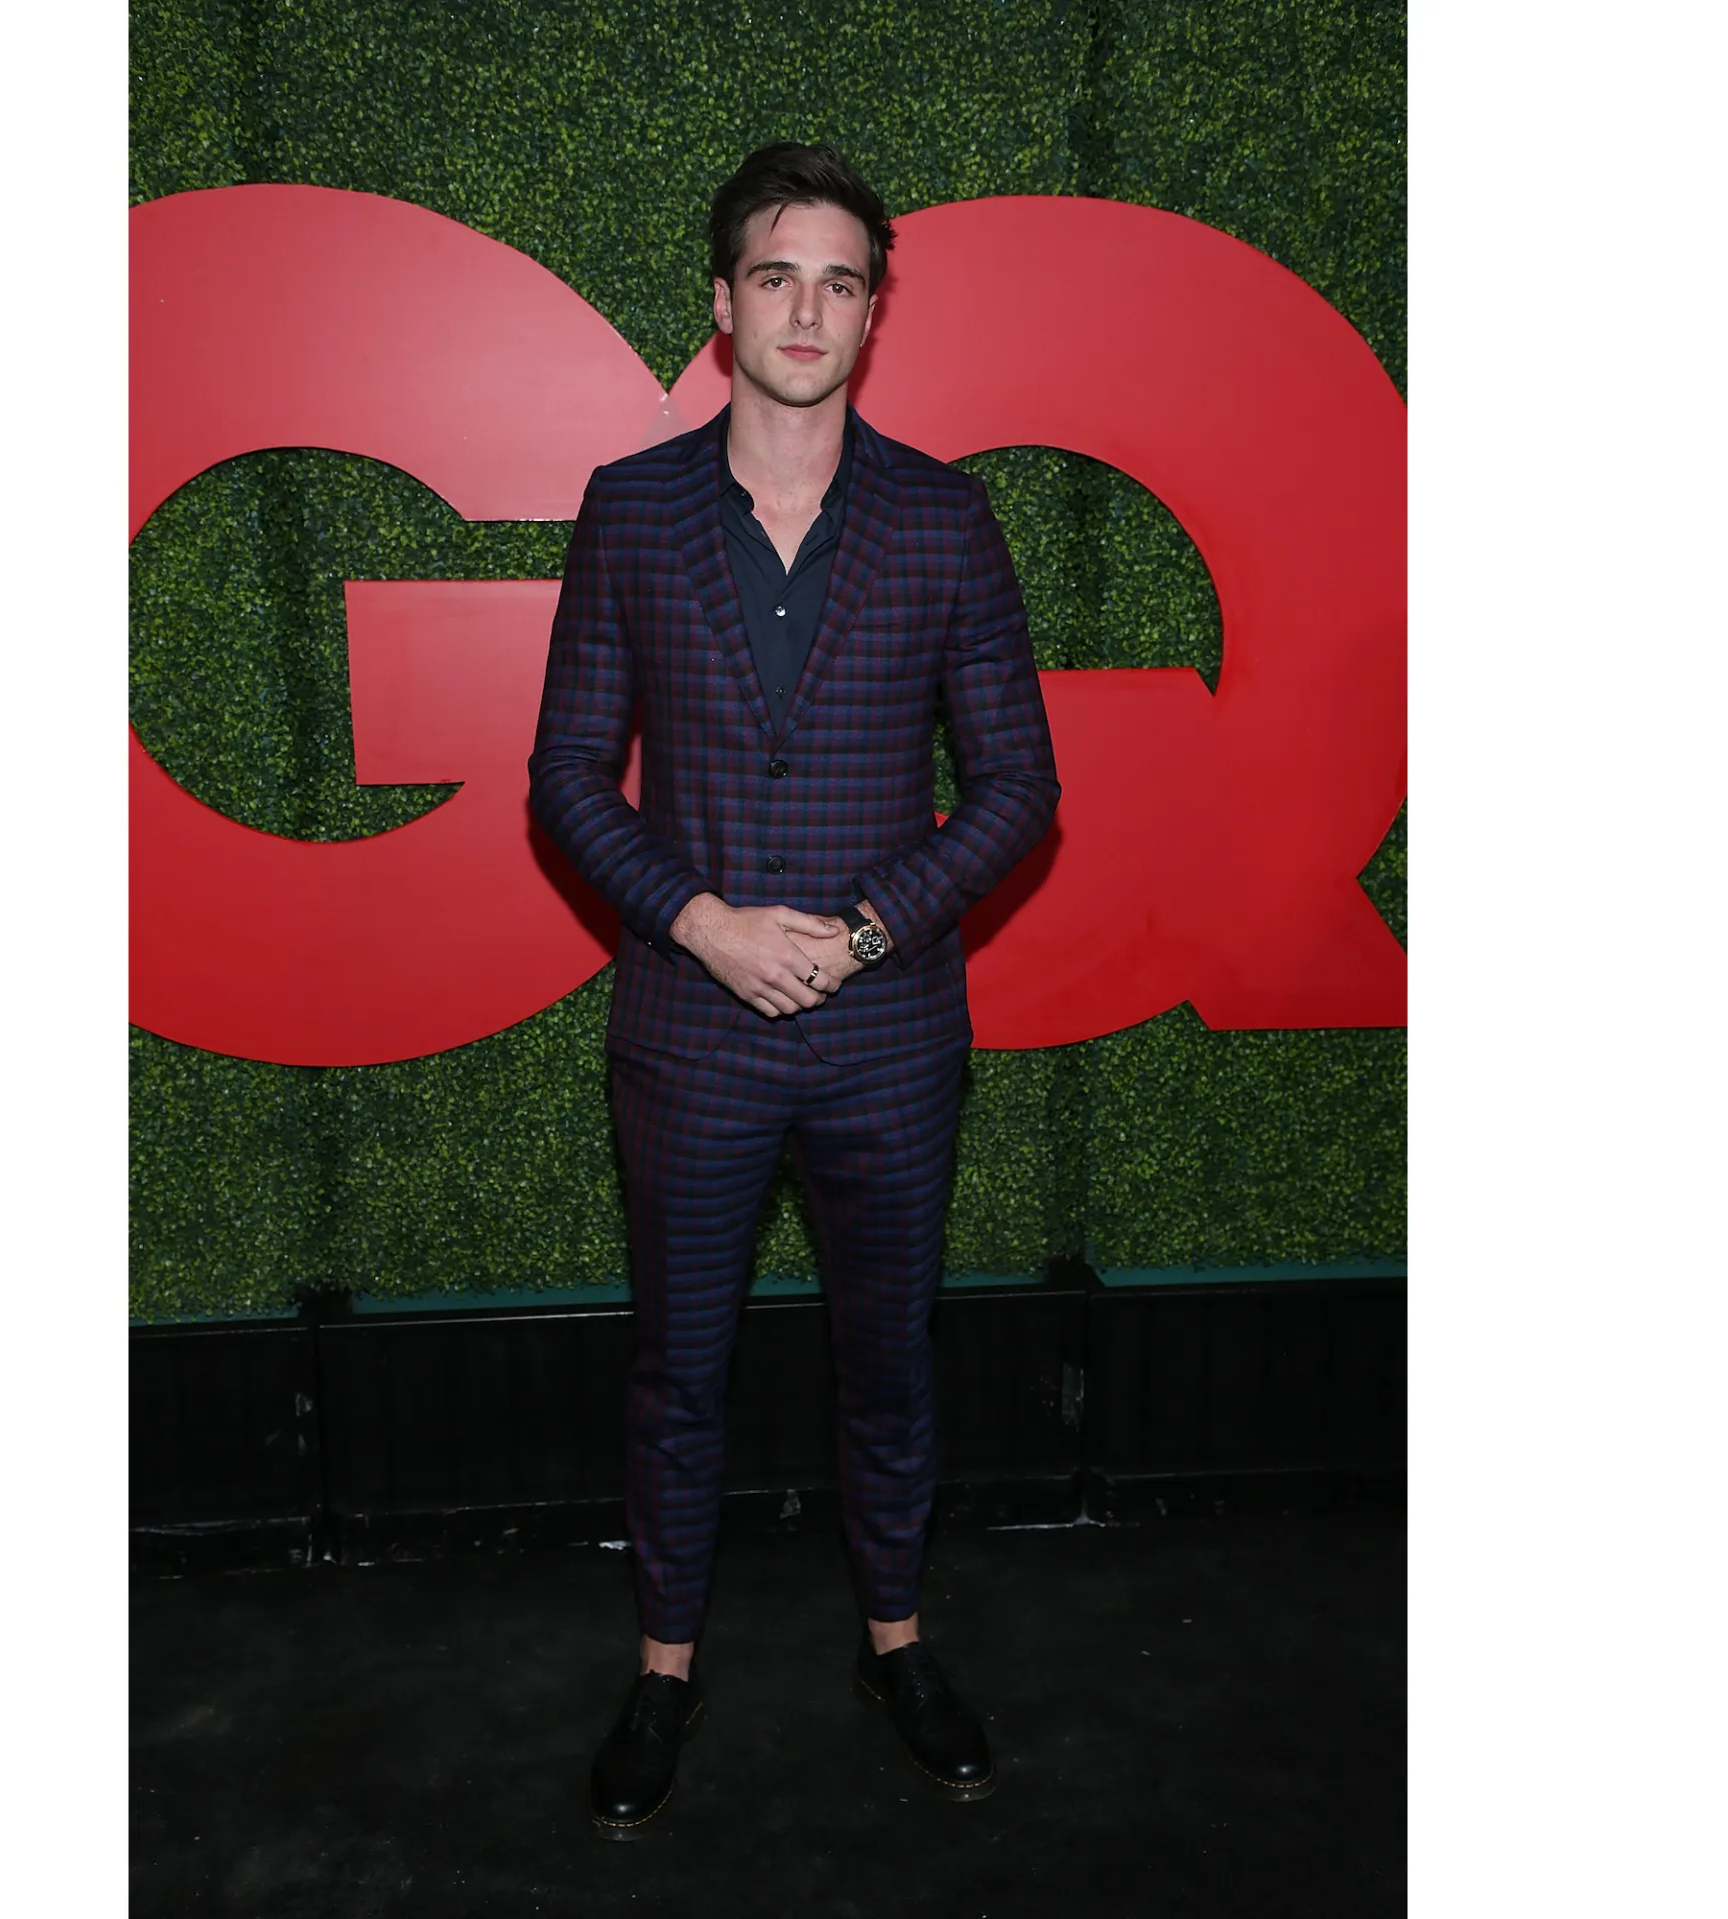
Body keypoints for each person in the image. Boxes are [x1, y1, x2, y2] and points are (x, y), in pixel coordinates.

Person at [528, 142, 1060, 1838]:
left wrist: (868, 929)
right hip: (688, 1032)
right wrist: (698, 922)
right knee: (679, 1370)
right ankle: (664, 1668)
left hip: (887, 1035)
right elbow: (565, 776)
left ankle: (894, 1644)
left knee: (887, 1362)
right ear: (723, 304)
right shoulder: (630, 509)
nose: (807, 309)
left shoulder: (942, 517)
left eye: (840, 279)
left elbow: (1017, 787)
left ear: (871, 312)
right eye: (776, 275)